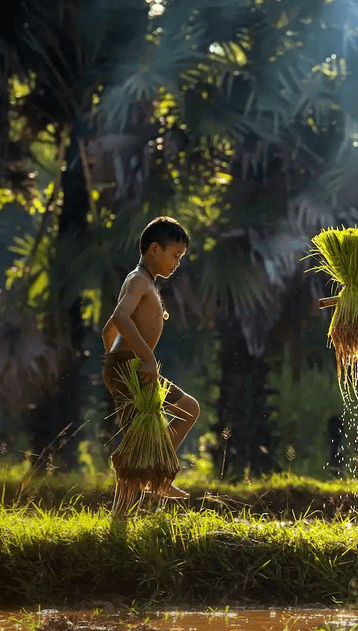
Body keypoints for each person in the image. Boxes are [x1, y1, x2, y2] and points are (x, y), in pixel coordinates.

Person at [101, 215, 200, 515]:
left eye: (181, 258)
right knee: (135, 445)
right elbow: (120, 318)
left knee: (187, 409)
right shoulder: (138, 279)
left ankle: (159, 469)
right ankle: (121, 517)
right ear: (154, 249)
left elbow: (108, 331)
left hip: (128, 367)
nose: (177, 264)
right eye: (175, 256)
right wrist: (143, 359)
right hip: (131, 366)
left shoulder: (148, 284)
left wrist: (115, 365)